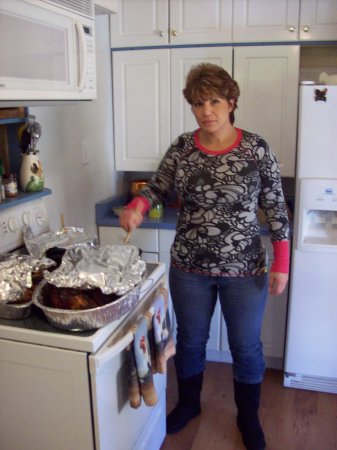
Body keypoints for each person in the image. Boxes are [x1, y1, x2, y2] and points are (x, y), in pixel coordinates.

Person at [119, 63, 289, 450]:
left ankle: (248, 416)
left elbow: (276, 207)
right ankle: (190, 404)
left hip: (245, 269)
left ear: (231, 102)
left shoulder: (255, 147)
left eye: (214, 100)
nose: (206, 110)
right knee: (190, 341)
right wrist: (137, 206)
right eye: (198, 103)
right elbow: (157, 187)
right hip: (189, 268)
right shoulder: (182, 147)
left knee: (246, 345)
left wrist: (282, 263)